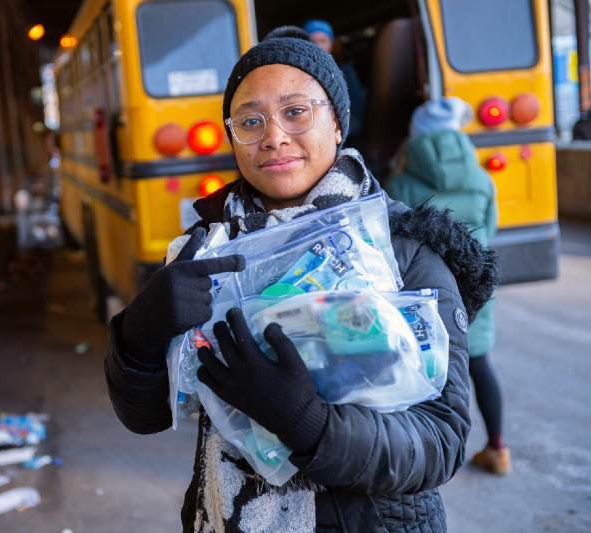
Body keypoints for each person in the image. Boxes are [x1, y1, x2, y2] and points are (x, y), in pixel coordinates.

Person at [105, 26, 497, 532]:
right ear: (234, 139)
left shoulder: (401, 248)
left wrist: (309, 424)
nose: (273, 136)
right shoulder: (206, 251)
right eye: (251, 120)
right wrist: (139, 332)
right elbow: (144, 417)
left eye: (296, 112)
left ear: (337, 124)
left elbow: (440, 441)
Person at [386, 97, 509, 475]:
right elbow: (492, 226)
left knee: (429, 370)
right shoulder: (483, 179)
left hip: (425, 294)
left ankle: (429, 459)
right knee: (479, 363)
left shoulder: (401, 182)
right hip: (474, 289)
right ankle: (498, 448)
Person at [303, 19, 367, 139]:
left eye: (323, 40)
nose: (318, 46)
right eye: (312, 41)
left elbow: (356, 113)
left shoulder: (346, 72)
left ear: (332, 44)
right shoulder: (297, 75)